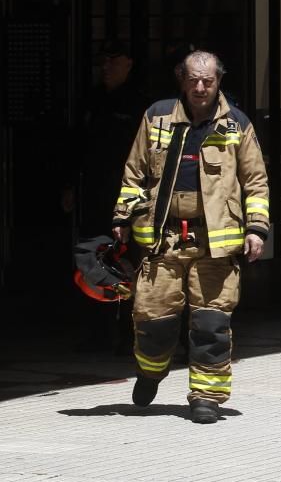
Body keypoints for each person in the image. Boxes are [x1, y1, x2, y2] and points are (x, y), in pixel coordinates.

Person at [112, 50, 270, 424]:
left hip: (215, 244)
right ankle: (151, 371)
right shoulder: (157, 117)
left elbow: (256, 182)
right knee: (153, 322)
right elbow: (133, 173)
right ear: (182, 80)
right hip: (163, 244)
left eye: (209, 81)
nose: (201, 87)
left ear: (219, 82)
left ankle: (206, 397)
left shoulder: (237, 124)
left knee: (211, 325)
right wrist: (122, 217)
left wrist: (256, 229)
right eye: (194, 80)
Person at [62, 40, 147, 353]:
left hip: (127, 200)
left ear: (129, 64)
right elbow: (77, 147)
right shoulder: (92, 101)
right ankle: (97, 332)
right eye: (103, 62)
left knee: (125, 264)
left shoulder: (140, 105)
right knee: (90, 261)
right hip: (94, 196)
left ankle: (128, 334)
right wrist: (70, 186)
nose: (107, 67)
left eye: (114, 61)